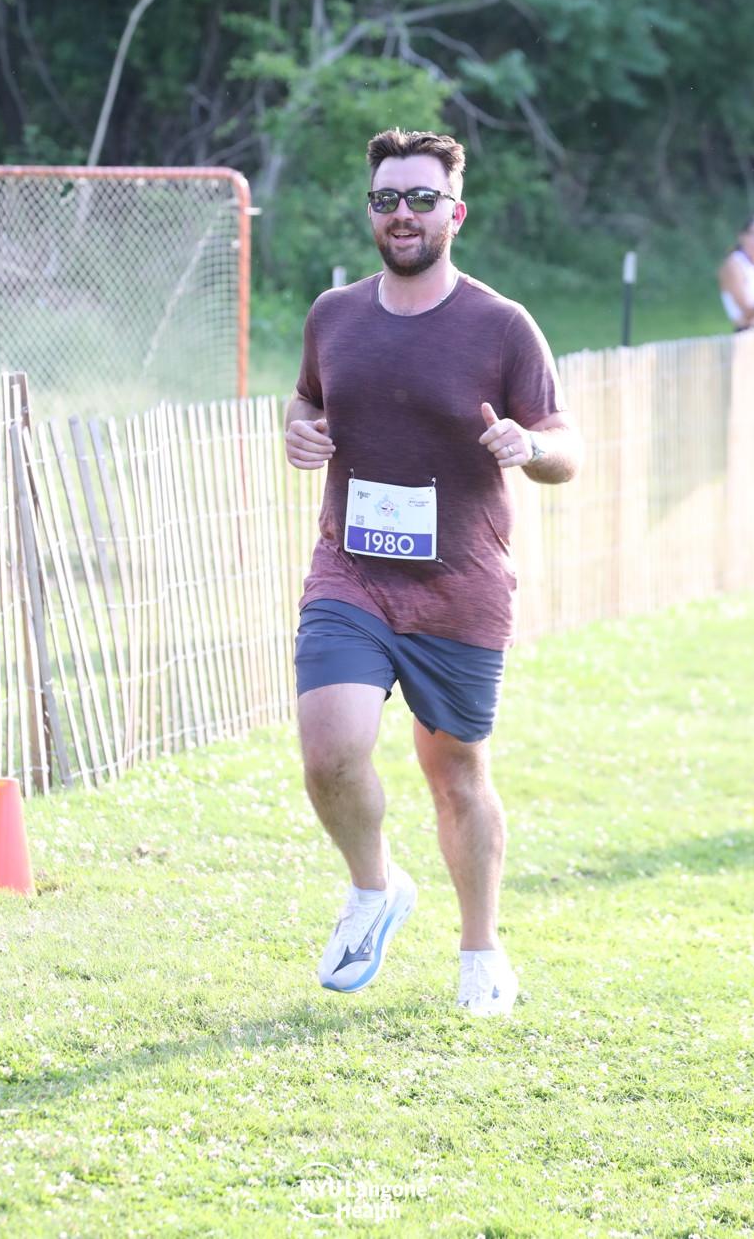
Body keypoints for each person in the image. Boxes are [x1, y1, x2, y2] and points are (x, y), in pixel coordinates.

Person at [283, 128, 584, 1016]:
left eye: (421, 198)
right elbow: (307, 400)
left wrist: (530, 447)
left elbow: (565, 446)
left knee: (455, 774)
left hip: (461, 587)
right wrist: (298, 430)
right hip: (351, 574)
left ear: (456, 212)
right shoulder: (333, 315)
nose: (403, 214)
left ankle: (481, 947)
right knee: (329, 751)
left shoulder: (501, 325)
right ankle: (374, 889)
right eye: (386, 199)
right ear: (371, 212)